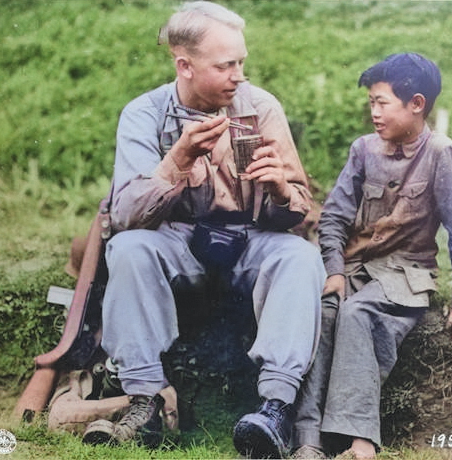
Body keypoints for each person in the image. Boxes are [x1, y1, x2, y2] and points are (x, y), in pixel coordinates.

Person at [80, 2, 325, 458]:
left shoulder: (261, 106)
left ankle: (275, 406)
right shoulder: (143, 114)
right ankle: (145, 401)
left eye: (242, 62)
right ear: (185, 66)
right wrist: (177, 161)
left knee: (300, 257)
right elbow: (127, 213)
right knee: (131, 248)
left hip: (250, 239)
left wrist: (278, 189)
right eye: (226, 65)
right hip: (175, 239)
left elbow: (302, 211)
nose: (239, 75)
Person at [291, 53, 452, 459]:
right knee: (325, 313)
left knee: (359, 314)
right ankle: (308, 441)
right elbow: (334, 218)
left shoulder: (441, 154)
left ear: (416, 103)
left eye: (382, 102)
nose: (374, 113)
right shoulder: (364, 150)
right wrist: (334, 270)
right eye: (371, 103)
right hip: (356, 266)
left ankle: (360, 444)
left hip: (404, 275)